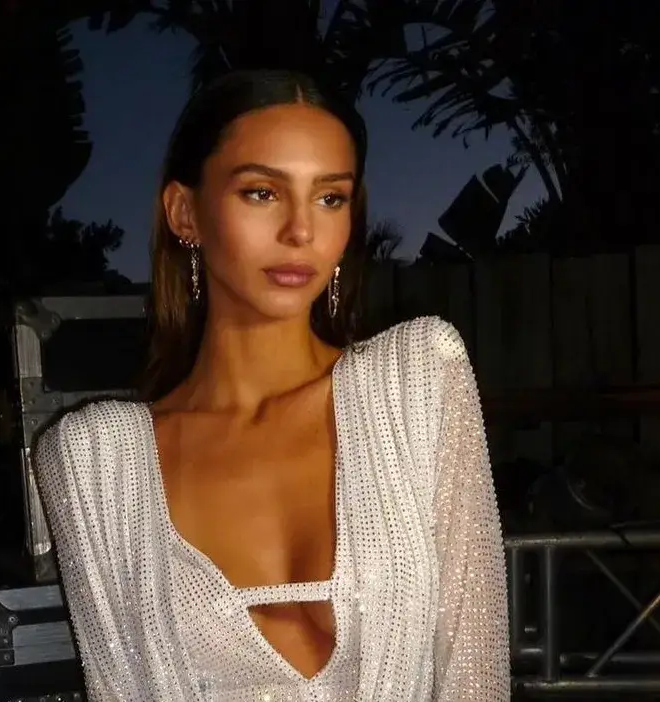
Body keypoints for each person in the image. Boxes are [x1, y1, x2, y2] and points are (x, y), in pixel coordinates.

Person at [35, 69, 509, 701]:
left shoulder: (415, 381)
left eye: (330, 198)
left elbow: (475, 674)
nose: (301, 232)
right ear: (185, 212)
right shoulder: (96, 460)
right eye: (262, 192)